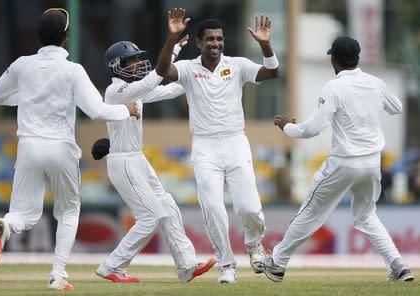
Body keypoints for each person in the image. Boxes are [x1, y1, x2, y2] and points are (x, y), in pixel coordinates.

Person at [0, 8, 140, 291]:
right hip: (61, 147)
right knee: (68, 212)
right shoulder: (73, 70)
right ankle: (57, 275)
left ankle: (5, 226)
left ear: (39, 36)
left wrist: (29, 96)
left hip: (28, 145)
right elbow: (96, 110)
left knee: (24, 213)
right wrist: (125, 110)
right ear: (66, 37)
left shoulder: (22, 65)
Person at [265, 36, 414, 283]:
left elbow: (313, 129)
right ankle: (398, 265)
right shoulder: (374, 83)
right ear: (357, 58)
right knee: (366, 216)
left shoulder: (333, 87)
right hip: (372, 163)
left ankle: (278, 264)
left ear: (334, 59)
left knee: (310, 211)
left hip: (345, 162)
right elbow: (396, 107)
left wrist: (288, 128)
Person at [92, 8, 216, 283]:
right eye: (132, 61)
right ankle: (112, 266)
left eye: (138, 59)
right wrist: (170, 47)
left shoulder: (135, 89)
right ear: (116, 66)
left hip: (137, 160)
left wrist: (197, 74)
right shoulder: (115, 90)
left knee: (168, 206)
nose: (138, 64)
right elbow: (154, 78)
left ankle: (186, 266)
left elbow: (170, 87)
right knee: (151, 217)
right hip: (123, 162)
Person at [164, 15, 280, 283]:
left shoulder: (237, 65)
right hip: (204, 146)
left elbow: (273, 72)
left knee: (249, 207)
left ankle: (254, 245)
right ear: (199, 42)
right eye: (209, 39)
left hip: (235, 141)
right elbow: (162, 72)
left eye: (219, 39)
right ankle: (227, 264)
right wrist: (171, 39)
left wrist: (265, 45)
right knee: (214, 208)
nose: (215, 44)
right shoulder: (188, 69)